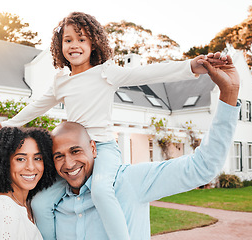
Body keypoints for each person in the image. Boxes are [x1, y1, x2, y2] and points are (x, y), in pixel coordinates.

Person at [0, 12, 228, 240]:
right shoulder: (61, 81)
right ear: (60, 46)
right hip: (73, 151)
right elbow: (38, 105)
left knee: (101, 191)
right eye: (68, 40)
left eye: (81, 39)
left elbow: (146, 74)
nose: (74, 45)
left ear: (94, 44)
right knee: (40, 202)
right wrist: (6, 125)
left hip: (104, 149)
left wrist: (190, 67)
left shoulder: (105, 73)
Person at [47, 55, 240, 239]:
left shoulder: (129, 182)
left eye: (75, 151)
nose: (69, 163)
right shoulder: (51, 202)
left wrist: (229, 93)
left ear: (93, 148)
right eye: (58, 156)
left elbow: (202, 167)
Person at [0, 127, 56, 240]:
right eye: (21, 159)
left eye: (37, 158)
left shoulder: (25, 204)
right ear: (3, 164)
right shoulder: (5, 211)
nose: (31, 167)